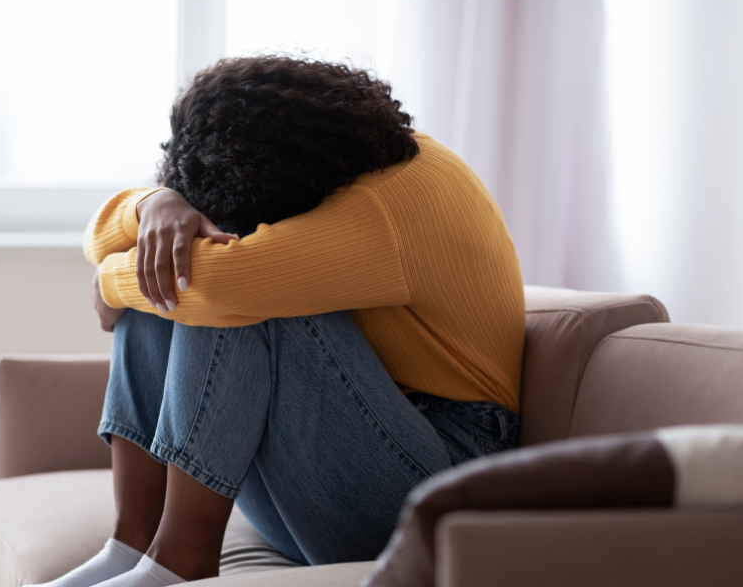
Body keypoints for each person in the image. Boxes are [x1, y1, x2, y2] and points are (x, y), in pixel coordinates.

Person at [34, 56, 525, 587]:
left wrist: (110, 284)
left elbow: (223, 285)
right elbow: (103, 235)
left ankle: (178, 564)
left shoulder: (397, 199)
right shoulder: (340, 160)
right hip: (331, 479)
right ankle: (130, 545)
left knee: (231, 290)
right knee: (168, 259)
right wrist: (154, 205)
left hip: (437, 486)